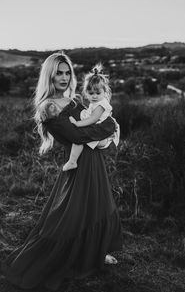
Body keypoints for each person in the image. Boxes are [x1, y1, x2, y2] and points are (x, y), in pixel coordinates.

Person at [1, 52, 122, 291]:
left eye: (67, 72)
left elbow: (91, 126)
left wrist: (106, 130)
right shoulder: (49, 108)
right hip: (78, 165)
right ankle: (60, 259)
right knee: (71, 215)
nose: (64, 77)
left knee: (96, 207)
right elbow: (77, 135)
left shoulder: (76, 100)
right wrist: (111, 126)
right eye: (59, 73)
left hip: (93, 160)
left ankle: (94, 255)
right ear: (49, 75)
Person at [63, 63, 120, 171]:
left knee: (79, 137)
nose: (94, 96)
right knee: (80, 137)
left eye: (98, 93)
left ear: (105, 92)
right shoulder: (95, 103)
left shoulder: (101, 104)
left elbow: (93, 119)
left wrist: (77, 123)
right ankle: (73, 160)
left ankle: (72, 161)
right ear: (86, 93)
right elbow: (90, 115)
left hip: (103, 136)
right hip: (100, 132)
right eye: (91, 93)